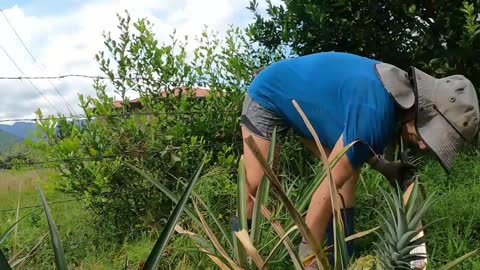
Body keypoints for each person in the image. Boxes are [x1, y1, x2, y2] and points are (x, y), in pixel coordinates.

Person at [237, 51, 480, 268]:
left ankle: (342, 259)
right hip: (270, 94)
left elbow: (359, 146)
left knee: (349, 176)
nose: (425, 145)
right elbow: (327, 184)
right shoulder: (376, 109)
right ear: (423, 109)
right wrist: (308, 256)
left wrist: (386, 167)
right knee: (255, 185)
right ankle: (239, 257)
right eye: (429, 134)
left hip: (313, 107)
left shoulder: (395, 100)